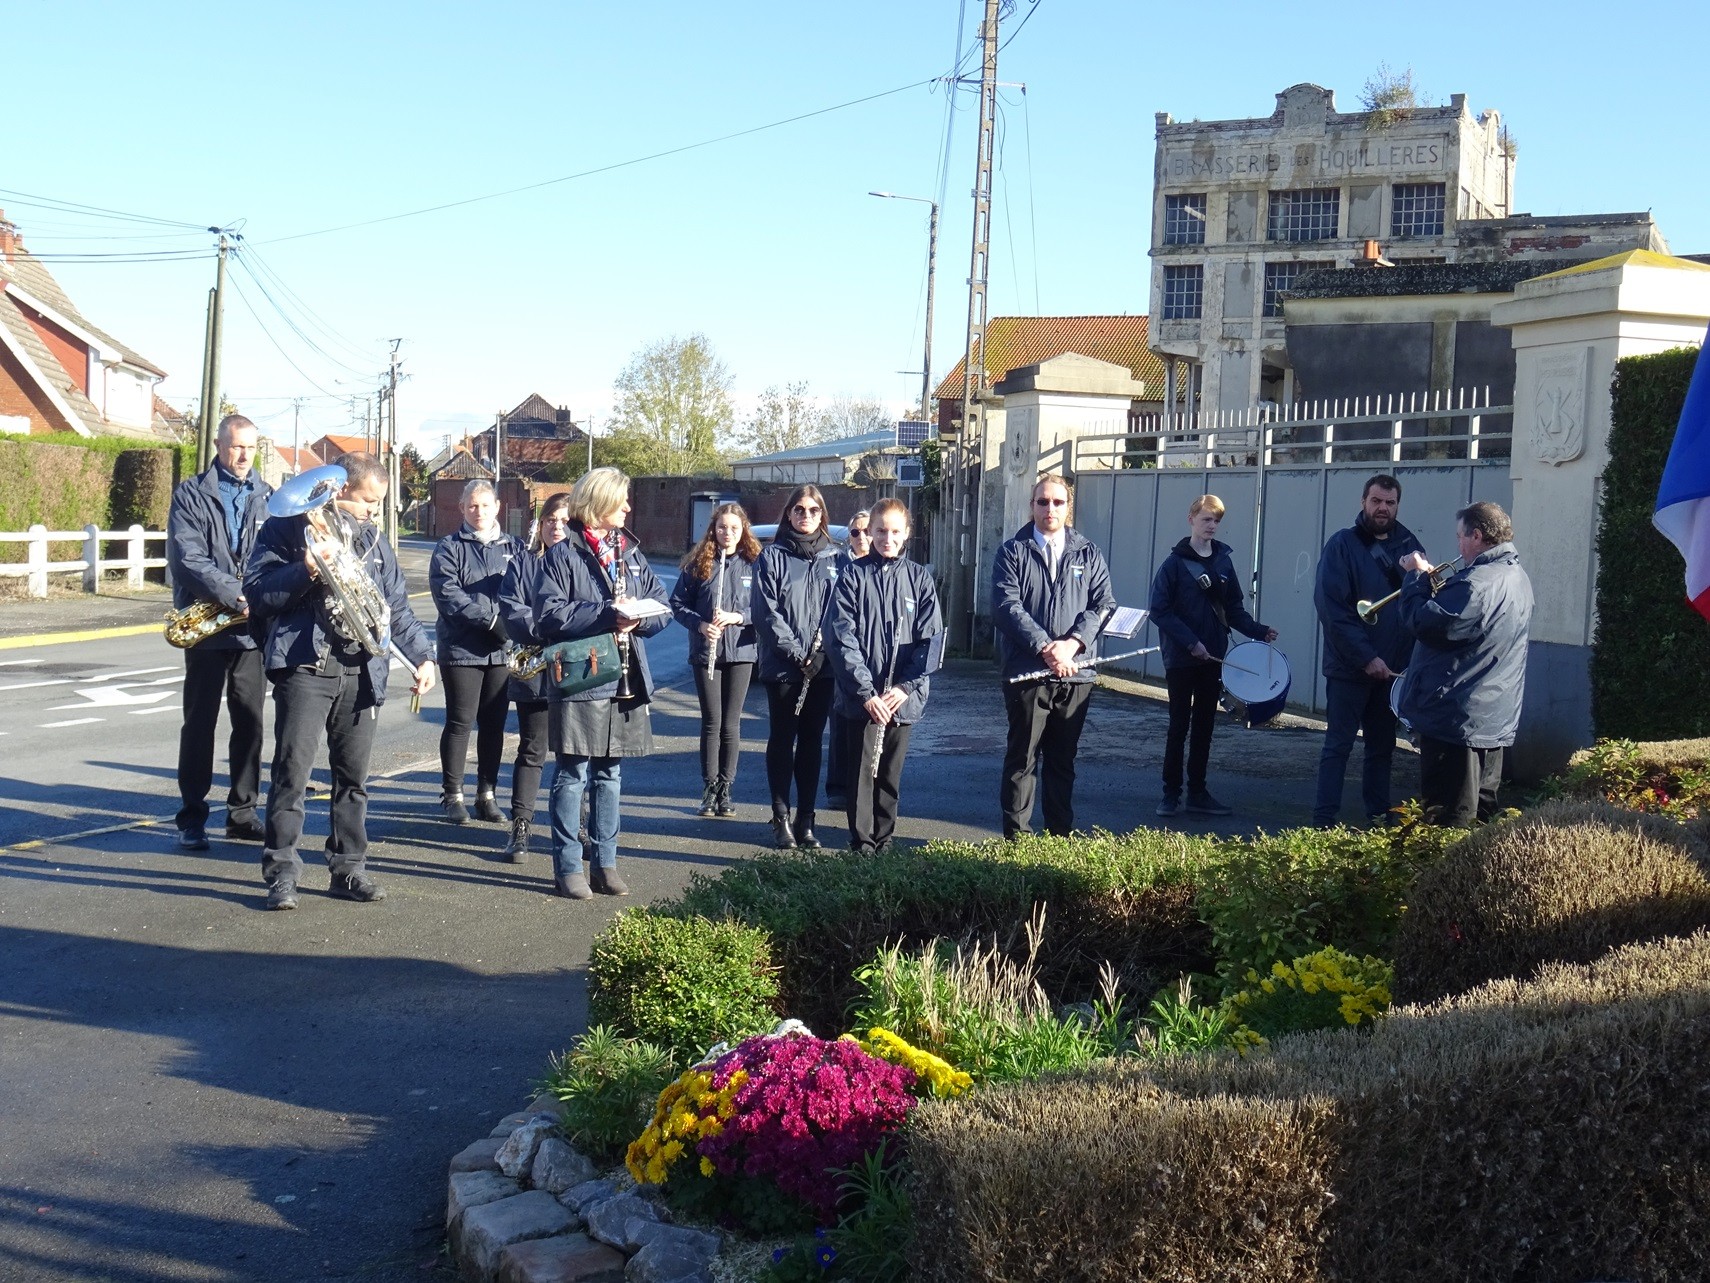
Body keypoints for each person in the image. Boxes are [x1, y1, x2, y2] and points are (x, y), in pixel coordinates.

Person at [244, 452, 438, 910]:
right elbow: (258, 593)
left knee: (353, 779)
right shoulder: (287, 529)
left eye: (379, 503)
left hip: (361, 668)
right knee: (292, 774)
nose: (375, 511)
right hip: (307, 666)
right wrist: (307, 569)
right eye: (369, 501)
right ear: (341, 490)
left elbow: (395, 608)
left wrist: (422, 657)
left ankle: (349, 869)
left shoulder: (374, 541)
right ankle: (282, 873)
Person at [535, 467, 669, 899]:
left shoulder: (629, 550)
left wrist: (639, 618)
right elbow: (549, 615)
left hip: (626, 675)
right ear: (599, 502)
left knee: (610, 773)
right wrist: (608, 614)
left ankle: (605, 862)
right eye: (622, 500)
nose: (629, 508)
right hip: (582, 677)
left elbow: (663, 607)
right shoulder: (561, 553)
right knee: (572, 773)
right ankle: (568, 866)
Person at [166, 413, 273, 850]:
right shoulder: (190, 494)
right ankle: (192, 817)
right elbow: (188, 558)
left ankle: (242, 814)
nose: (244, 455)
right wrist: (237, 594)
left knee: (250, 723)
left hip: (253, 630)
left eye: (250, 446)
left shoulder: (270, 496)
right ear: (217, 444)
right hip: (208, 624)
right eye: (235, 446)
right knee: (199, 724)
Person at [991, 474, 1115, 838]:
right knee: (1022, 760)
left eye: (1057, 502)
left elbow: (1104, 604)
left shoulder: (1087, 552)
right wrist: (1047, 648)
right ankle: (1017, 840)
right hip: (1027, 674)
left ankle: (1059, 836)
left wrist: (1073, 644)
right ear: (1032, 506)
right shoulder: (1012, 551)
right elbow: (1005, 606)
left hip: (1075, 673)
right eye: (1042, 501)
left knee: (1062, 762)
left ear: (1068, 507)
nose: (1050, 508)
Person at [1397, 501, 1533, 827]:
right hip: (1491, 719)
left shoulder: (1476, 584)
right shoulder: (1516, 577)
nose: (1457, 544)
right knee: (1481, 821)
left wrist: (1416, 577)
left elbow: (1423, 622)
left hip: (1456, 721)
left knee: (1447, 820)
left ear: (1476, 535)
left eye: (1460, 536)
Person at [1148, 494, 1277, 819]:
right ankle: (1170, 793)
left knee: (1205, 725)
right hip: (1181, 658)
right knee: (1179, 725)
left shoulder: (1223, 562)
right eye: (1206, 519)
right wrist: (1190, 643)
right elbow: (1159, 611)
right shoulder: (1174, 564)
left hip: (1214, 658)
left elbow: (1233, 609)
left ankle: (1198, 792)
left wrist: (1258, 631)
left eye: (1217, 520)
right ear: (1192, 519)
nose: (1212, 526)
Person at [827, 498, 943, 854]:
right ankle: (862, 841)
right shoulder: (852, 575)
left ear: (906, 533)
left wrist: (905, 687)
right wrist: (866, 693)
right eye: (880, 531)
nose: (887, 538)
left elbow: (932, 640)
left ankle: (885, 839)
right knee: (861, 774)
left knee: (889, 775)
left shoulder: (920, 578)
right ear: (870, 531)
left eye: (895, 531)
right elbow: (840, 637)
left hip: (900, 698)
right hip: (862, 698)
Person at [1311, 475, 1426, 828]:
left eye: (1390, 503)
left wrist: (1402, 664)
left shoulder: (1409, 544)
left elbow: (1421, 603)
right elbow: (1333, 610)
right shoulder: (1342, 545)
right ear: (1363, 501)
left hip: (1391, 670)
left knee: (1382, 747)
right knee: (1338, 747)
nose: (1383, 508)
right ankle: (1324, 820)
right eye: (1376, 501)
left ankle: (1378, 812)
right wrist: (1365, 658)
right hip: (1350, 668)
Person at [430, 480, 524, 827]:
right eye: (472, 506)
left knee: (494, 726)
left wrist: (511, 623)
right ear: (462, 508)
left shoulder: (515, 546)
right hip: (462, 648)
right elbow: (448, 594)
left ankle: (487, 794)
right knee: (460, 722)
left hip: (501, 650)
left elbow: (524, 590)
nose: (479, 512)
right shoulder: (448, 547)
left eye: (485, 505)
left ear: (497, 507)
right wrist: (491, 620)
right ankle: (452, 794)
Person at [752, 484, 840, 850]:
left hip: (824, 666)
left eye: (813, 510)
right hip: (785, 667)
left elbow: (844, 612)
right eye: (799, 510)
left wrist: (823, 656)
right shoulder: (770, 557)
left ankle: (806, 819)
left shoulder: (838, 559)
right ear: (788, 514)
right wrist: (795, 654)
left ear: (822, 515)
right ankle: (780, 817)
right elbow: (765, 612)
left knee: (811, 744)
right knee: (783, 739)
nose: (806, 516)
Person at [670, 503, 761, 818]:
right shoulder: (699, 563)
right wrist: (701, 624)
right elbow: (677, 604)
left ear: (743, 530)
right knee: (711, 721)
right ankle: (709, 789)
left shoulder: (755, 564)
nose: (728, 533)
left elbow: (765, 608)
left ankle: (726, 790)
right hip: (706, 651)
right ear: (714, 529)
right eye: (723, 527)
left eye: (734, 528)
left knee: (731, 724)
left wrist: (738, 617)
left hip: (742, 652)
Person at [496, 491, 572, 861]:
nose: (557, 527)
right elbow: (511, 608)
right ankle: (521, 828)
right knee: (532, 750)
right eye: (550, 520)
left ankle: (578, 828)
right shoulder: (523, 563)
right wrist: (547, 629)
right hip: (534, 669)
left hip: (575, 671)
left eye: (564, 520)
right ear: (539, 525)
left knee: (575, 755)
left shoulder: (583, 562)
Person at [823, 509, 872, 813]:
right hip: (840, 655)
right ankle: (838, 788)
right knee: (840, 722)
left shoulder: (882, 566)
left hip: (872, 656)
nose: (863, 537)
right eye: (856, 532)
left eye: (868, 531)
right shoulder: (837, 565)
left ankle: (868, 787)